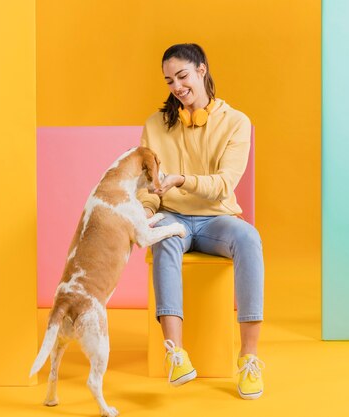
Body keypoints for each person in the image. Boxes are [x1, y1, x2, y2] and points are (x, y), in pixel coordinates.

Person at [138, 43, 265, 400]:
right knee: (163, 238)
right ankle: (175, 354)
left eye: (182, 76)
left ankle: (249, 358)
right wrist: (146, 211)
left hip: (216, 219)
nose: (177, 86)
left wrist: (181, 180)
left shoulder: (237, 122)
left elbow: (224, 184)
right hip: (172, 215)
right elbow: (148, 184)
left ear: (202, 70)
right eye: (169, 81)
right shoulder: (154, 125)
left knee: (249, 238)